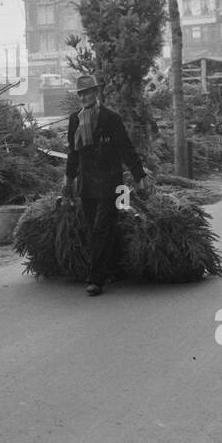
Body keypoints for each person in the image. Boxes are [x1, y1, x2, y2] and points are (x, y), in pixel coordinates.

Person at [62, 75, 151, 296]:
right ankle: (114, 268)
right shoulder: (75, 120)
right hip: (87, 183)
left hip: (110, 183)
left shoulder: (111, 119)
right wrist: (68, 181)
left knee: (102, 227)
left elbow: (125, 148)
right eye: (81, 93)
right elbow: (73, 153)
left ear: (97, 93)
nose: (85, 97)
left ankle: (95, 279)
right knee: (94, 229)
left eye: (88, 92)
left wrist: (140, 176)